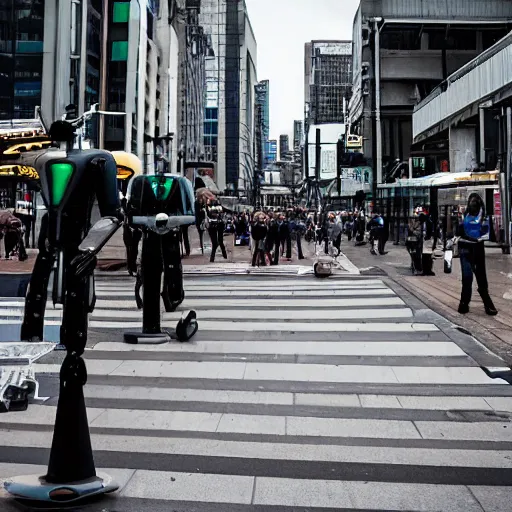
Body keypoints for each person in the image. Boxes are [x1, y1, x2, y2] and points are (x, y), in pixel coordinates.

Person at [456, 193, 497, 316]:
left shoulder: (484, 217)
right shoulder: (464, 215)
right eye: (471, 203)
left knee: (481, 278)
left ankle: (486, 303)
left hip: (477, 248)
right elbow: (458, 232)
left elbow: (488, 234)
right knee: (467, 277)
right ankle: (464, 303)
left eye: (475, 204)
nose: (473, 206)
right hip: (465, 248)